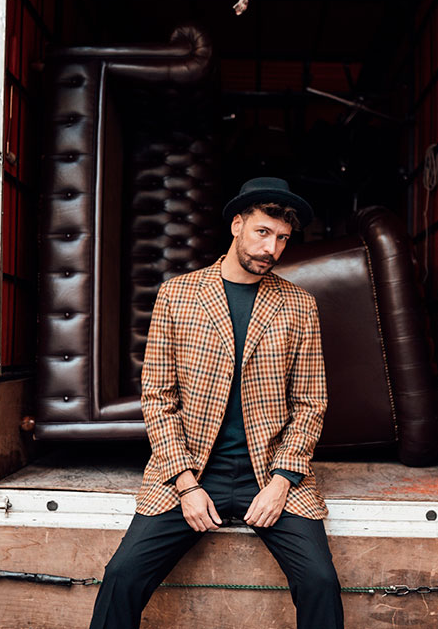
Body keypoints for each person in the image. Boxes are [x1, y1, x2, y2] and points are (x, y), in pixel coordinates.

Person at [89, 177, 343, 629]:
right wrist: (186, 485)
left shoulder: (299, 304)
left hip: (269, 474)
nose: (272, 248)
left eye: (283, 238)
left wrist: (282, 482)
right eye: (262, 232)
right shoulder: (177, 294)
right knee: (121, 576)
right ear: (237, 225)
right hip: (190, 471)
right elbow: (158, 398)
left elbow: (310, 403)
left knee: (321, 581)